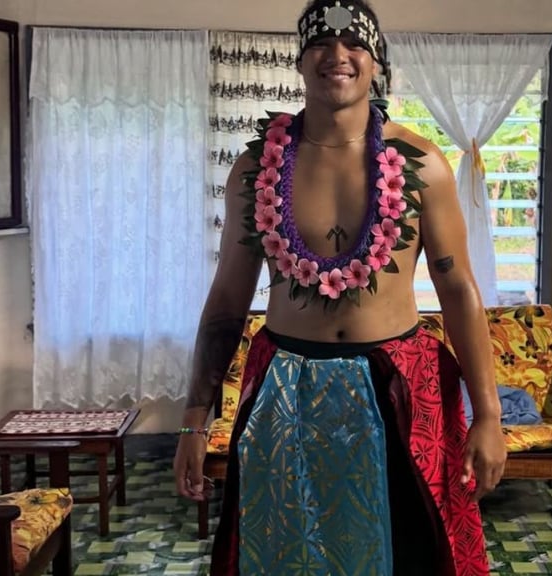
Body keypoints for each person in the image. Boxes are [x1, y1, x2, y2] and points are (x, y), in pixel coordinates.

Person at [173, 1, 505, 574]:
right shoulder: (255, 169)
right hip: (286, 390)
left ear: (376, 62)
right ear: (300, 61)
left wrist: (489, 415)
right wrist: (193, 420)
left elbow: (458, 290)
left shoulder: (422, 165)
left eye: (355, 44)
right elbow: (227, 300)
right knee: (284, 555)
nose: (338, 56)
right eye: (321, 44)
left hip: (399, 389)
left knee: (411, 556)